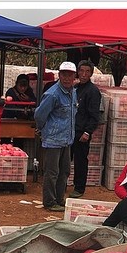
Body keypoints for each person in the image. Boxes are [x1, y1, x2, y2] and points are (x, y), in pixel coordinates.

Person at [34, 61, 77, 212]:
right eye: (64, 75)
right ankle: (50, 202)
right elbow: (39, 115)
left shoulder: (73, 92)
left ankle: (60, 199)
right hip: (53, 139)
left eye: (70, 75)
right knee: (52, 172)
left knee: (64, 171)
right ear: (59, 75)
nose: (66, 78)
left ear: (74, 77)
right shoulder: (52, 94)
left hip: (67, 139)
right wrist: (42, 130)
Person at [70, 60, 102, 198]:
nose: (83, 74)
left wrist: (87, 132)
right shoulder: (75, 87)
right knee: (66, 159)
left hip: (82, 131)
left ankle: (79, 188)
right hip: (70, 130)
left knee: (80, 161)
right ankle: (65, 184)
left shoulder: (93, 91)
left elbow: (94, 115)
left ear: (91, 73)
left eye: (87, 71)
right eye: (81, 71)